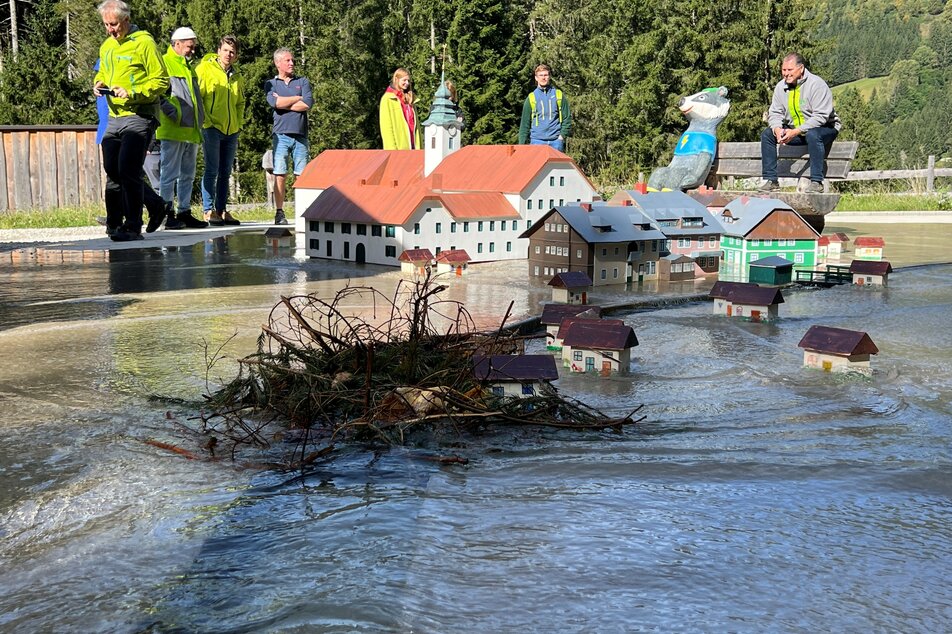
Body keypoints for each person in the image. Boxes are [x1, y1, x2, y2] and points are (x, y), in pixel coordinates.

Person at [93, 0, 169, 241]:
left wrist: (133, 92)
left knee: (128, 169)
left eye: (114, 24)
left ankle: (133, 226)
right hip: (114, 116)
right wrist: (99, 82)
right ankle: (116, 222)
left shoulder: (144, 42)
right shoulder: (107, 46)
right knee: (112, 170)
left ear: (126, 20)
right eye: (106, 25)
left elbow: (161, 80)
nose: (110, 30)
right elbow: (103, 72)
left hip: (140, 114)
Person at [760, 52, 841, 194]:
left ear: (801, 68)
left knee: (813, 135)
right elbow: (775, 113)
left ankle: (816, 182)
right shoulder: (780, 87)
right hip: (796, 130)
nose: (786, 74)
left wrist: (796, 131)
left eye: (790, 70)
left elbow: (821, 117)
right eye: (784, 70)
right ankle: (771, 180)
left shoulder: (817, 85)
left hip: (824, 128)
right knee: (767, 134)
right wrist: (777, 129)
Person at [156, 26, 208, 229]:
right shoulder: (164, 63)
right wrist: (175, 114)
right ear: (177, 44)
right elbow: (158, 95)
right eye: (189, 46)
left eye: (193, 47)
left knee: (188, 175)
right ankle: (166, 214)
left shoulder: (189, 67)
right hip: (173, 129)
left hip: (191, 130)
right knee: (169, 175)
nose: (192, 50)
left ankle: (184, 212)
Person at [196, 35, 245, 226]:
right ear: (218, 51)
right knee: (212, 169)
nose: (228, 54)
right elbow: (198, 98)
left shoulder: (237, 76)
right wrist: (206, 122)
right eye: (225, 50)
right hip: (211, 128)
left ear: (236, 55)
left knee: (226, 172)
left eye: (232, 52)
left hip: (231, 130)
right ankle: (208, 210)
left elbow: (240, 102)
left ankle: (221, 210)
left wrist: (238, 124)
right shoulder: (204, 69)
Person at [265, 47, 313, 225]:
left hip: (301, 135)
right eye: (288, 60)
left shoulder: (303, 81)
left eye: (292, 60)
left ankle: (303, 212)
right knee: (280, 174)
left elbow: (307, 104)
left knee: (302, 176)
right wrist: (296, 98)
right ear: (278, 63)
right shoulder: (271, 84)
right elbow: (274, 103)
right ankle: (279, 212)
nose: (292, 63)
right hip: (281, 135)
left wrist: (284, 103)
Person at [518, 63, 571, 151]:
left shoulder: (558, 95)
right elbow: (524, 124)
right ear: (536, 78)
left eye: (546, 75)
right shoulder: (531, 97)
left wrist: (562, 136)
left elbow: (567, 118)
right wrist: (521, 146)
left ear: (549, 77)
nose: (543, 78)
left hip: (556, 142)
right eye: (541, 75)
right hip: (537, 142)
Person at [379, 68, 422, 150]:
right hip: (399, 149)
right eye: (404, 80)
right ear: (396, 79)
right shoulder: (387, 99)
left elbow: (417, 127)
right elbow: (386, 128)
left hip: (414, 147)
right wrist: (391, 150)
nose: (407, 83)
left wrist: (420, 147)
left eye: (408, 81)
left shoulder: (411, 99)